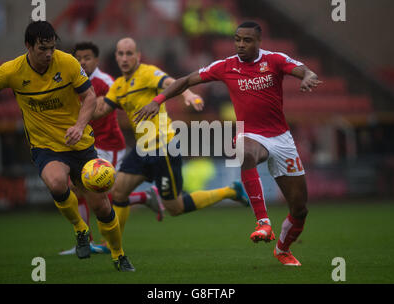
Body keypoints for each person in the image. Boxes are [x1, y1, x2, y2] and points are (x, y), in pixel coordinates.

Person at [134, 21, 322, 266]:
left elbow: (305, 70)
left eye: (247, 40)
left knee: (300, 210)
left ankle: (282, 249)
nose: (241, 44)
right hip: (251, 135)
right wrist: (157, 100)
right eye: (237, 40)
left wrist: (308, 77)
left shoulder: (274, 60)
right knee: (243, 152)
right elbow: (186, 80)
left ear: (258, 42)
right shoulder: (225, 66)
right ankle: (263, 222)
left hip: (281, 139)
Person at [0, 21, 135, 272]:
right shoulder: (12, 70)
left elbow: (90, 97)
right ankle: (81, 230)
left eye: (51, 47)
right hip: (45, 146)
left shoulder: (68, 63)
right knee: (57, 183)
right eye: (42, 49)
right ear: (28, 46)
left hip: (79, 144)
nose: (48, 54)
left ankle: (119, 254)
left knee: (102, 207)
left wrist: (80, 126)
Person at [92, 37, 250, 235]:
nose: (125, 58)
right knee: (118, 192)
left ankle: (231, 191)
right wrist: (80, 111)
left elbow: (171, 82)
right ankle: (113, 245)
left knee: (175, 207)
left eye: (129, 53)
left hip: (163, 148)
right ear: (116, 57)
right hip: (142, 148)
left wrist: (188, 95)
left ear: (138, 56)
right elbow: (102, 110)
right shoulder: (117, 87)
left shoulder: (147, 73)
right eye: (121, 54)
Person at [59, 41, 164, 256]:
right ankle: (85, 241)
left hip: (109, 144)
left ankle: (144, 198)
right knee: (77, 189)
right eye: (78, 58)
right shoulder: (72, 81)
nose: (82, 62)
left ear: (96, 60)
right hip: (87, 145)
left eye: (87, 58)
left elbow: (113, 105)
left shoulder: (105, 82)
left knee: (104, 194)